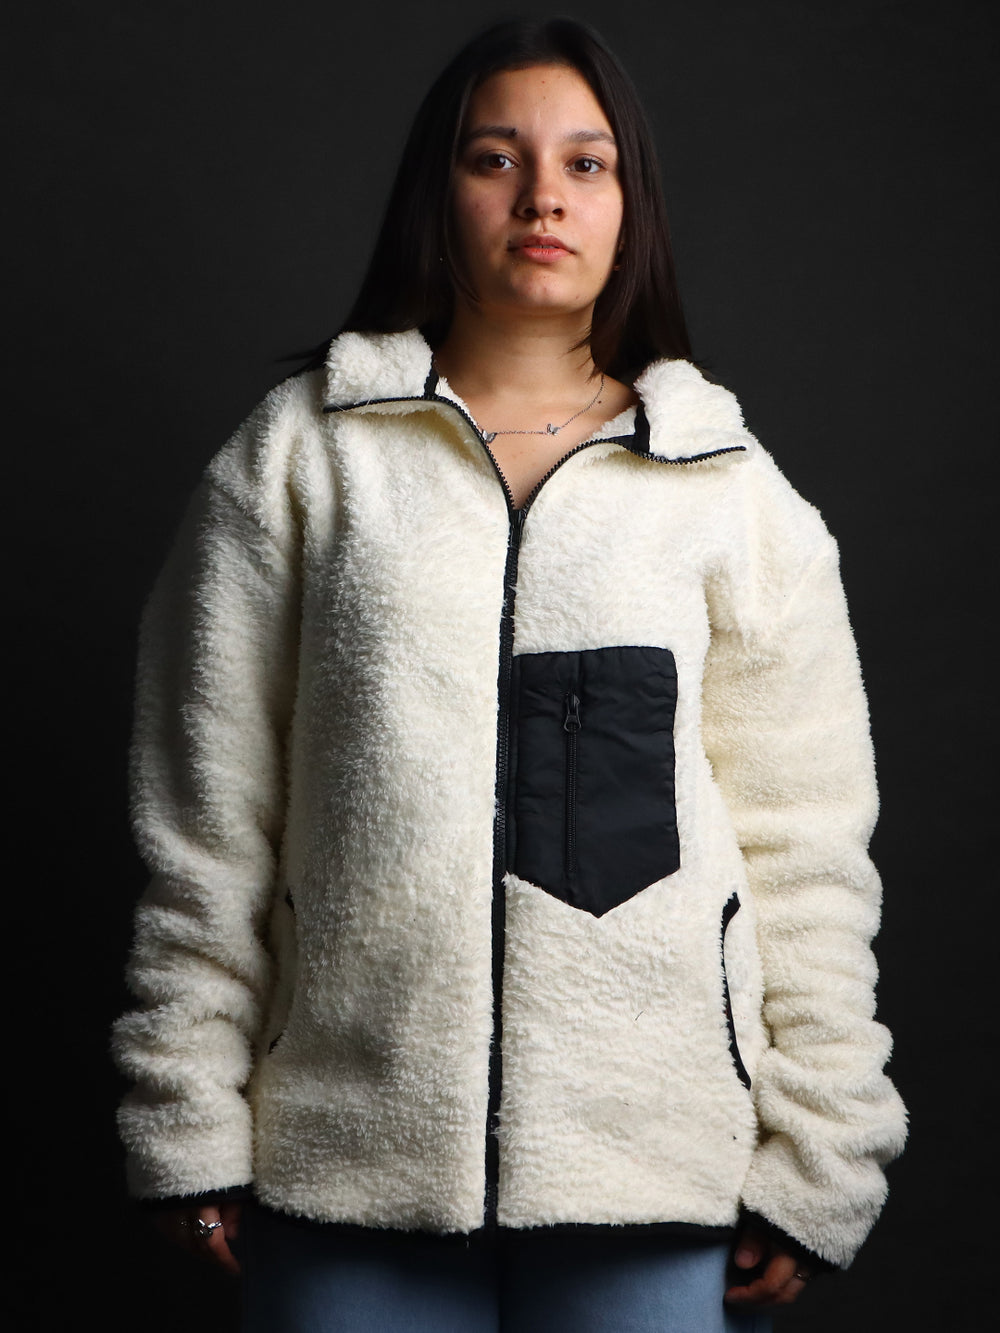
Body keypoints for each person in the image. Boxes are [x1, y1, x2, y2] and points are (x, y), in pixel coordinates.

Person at [112, 17, 907, 1332]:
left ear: (631, 206)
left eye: (587, 164)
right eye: (497, 158)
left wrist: (821, 1148)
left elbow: (808, 852)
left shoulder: (727, 489)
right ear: (438, 191)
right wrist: (186, 1120)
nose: (544, 196)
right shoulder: (300, 459)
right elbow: (205, 822)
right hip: (345, 1169)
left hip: (661, 1172)